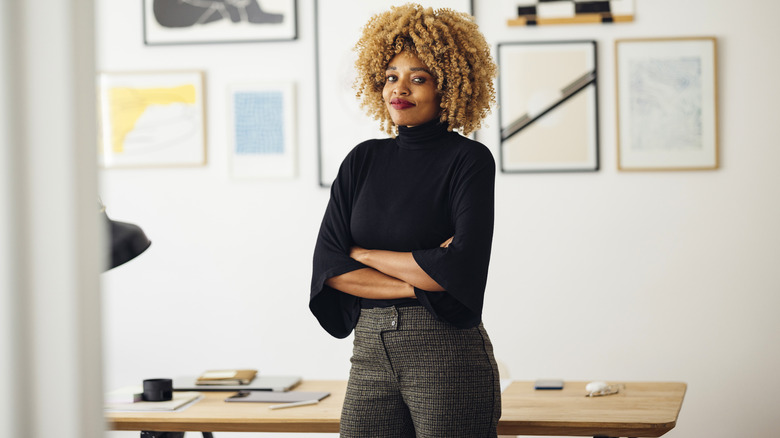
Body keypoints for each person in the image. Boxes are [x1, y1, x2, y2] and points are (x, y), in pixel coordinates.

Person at [310, 4, 500, 437]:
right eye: (392, 76)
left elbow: (461, 269)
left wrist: (363, 255)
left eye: (418, 78)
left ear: (447, 88)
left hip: (445, 351)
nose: (401, 89)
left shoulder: (468, 160)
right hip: (370, 347)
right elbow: (328, 269)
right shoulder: (362, 160)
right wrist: (422, 278)